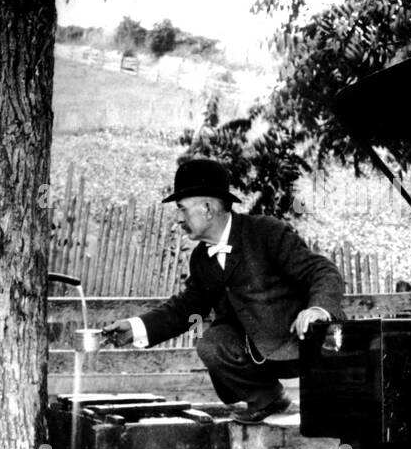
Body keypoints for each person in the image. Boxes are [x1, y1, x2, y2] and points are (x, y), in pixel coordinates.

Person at [102, 158, 345, 422]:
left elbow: (323, 271)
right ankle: (269, 399)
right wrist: (135, 327)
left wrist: (317, 310)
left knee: (335, 410)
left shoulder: (266, 232)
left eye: (182, 209)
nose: (178, 219)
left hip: (302, 346)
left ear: (207, 208)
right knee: (211, 343)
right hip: (255, 356)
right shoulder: (200, 259)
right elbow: (187, 308)